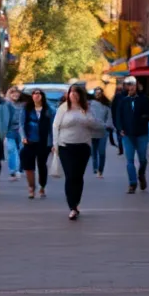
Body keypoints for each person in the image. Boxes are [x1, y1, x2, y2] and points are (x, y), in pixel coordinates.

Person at [52, 84, 103, 220]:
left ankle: (76, 202)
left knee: (78, 176)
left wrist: (87, 117)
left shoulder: (87, 108)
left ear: (81, 95)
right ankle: (72, 207)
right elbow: (55, 126)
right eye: (71, 92)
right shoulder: (63, 108)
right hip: (65, 146)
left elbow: (96, 125)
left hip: (83, 146)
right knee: (70, 176)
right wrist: (55, 144)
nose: (73, 95)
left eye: (76, 92)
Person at [116, 76, 149, 194]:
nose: (131, 87)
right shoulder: (123, 101)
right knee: (130, 160)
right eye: (129, 85)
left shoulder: (144, 99)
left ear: (137, 86)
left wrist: (144, 117)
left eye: (133, 85)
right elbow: (118, 116)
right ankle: (132, 184)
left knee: (142, 159)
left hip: (141, 133)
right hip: (128, 134)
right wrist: (120, 129)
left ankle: (141, 175)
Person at [21, 89, 54, 199]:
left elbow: (53, 126)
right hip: (29, 141)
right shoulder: (27, 108)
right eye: (34, 94)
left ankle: (42, 186)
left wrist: (54, 142)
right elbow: (22, 124)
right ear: (32, 96)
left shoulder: (48, 109)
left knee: (42, 165)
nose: (36, 96)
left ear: (42, 96)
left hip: (44, 142)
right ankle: (31, 187)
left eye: (39, 94)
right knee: (28, 165)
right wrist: (23, 137)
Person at [88, 88, 114, 178]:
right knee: (93, 151)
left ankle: (100, 170)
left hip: (103, 131)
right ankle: (95, 168)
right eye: (96, 93)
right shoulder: (90, 104)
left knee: (102, 152)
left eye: (99, 93)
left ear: (102, 94)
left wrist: (107, 126)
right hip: (92, 130)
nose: (98, 94)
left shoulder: (106, 105)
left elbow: (109, 118)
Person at [5, 86, 25, 181]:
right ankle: (13, 170)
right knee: (11, 149)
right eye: (13, 93)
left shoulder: (23, 104)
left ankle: (20, 168)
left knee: (22, 150)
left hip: (22, 131)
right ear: (9, 94)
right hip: (10, 130)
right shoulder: (6, 104)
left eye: (17, 93)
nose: (15, 94)